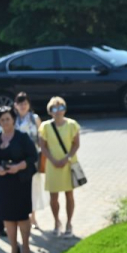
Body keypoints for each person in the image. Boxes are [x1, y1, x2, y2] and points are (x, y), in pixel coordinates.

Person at [0, 106, 38, 253]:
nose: (5, 122)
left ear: (13, 119)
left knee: (21, 216)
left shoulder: (22, 138)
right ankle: (14, 249)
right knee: (7, 217)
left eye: (7, 119)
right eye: (2, 120)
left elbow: (33, 156)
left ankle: (25, 247)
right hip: (2, 184)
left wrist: (18, 166)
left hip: (20, 182)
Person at [38, 97, 81, 237]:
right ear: (50, 111)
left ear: (65, 109)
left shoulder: (72, 124)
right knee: (53, 197)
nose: (58, 111)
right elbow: (42, 146)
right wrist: (53, 160)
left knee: (69, 194)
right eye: (55, 108)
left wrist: (66, 158)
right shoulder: (45, 126)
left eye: (61, 107)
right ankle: (57, 222)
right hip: (53, 165)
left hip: (68, 164)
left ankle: (69, 223)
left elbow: (76, 144)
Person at [14, 92, 46, 229]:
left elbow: (41, 137)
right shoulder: (13, 119)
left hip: (33, 158)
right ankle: (22, 216)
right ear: (15, 105)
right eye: (20, 103)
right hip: (17, 159)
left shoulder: (35, 118)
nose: (23, 106)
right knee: (19, 188)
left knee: (33, 188)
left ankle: (33, 217)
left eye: (25, 103)